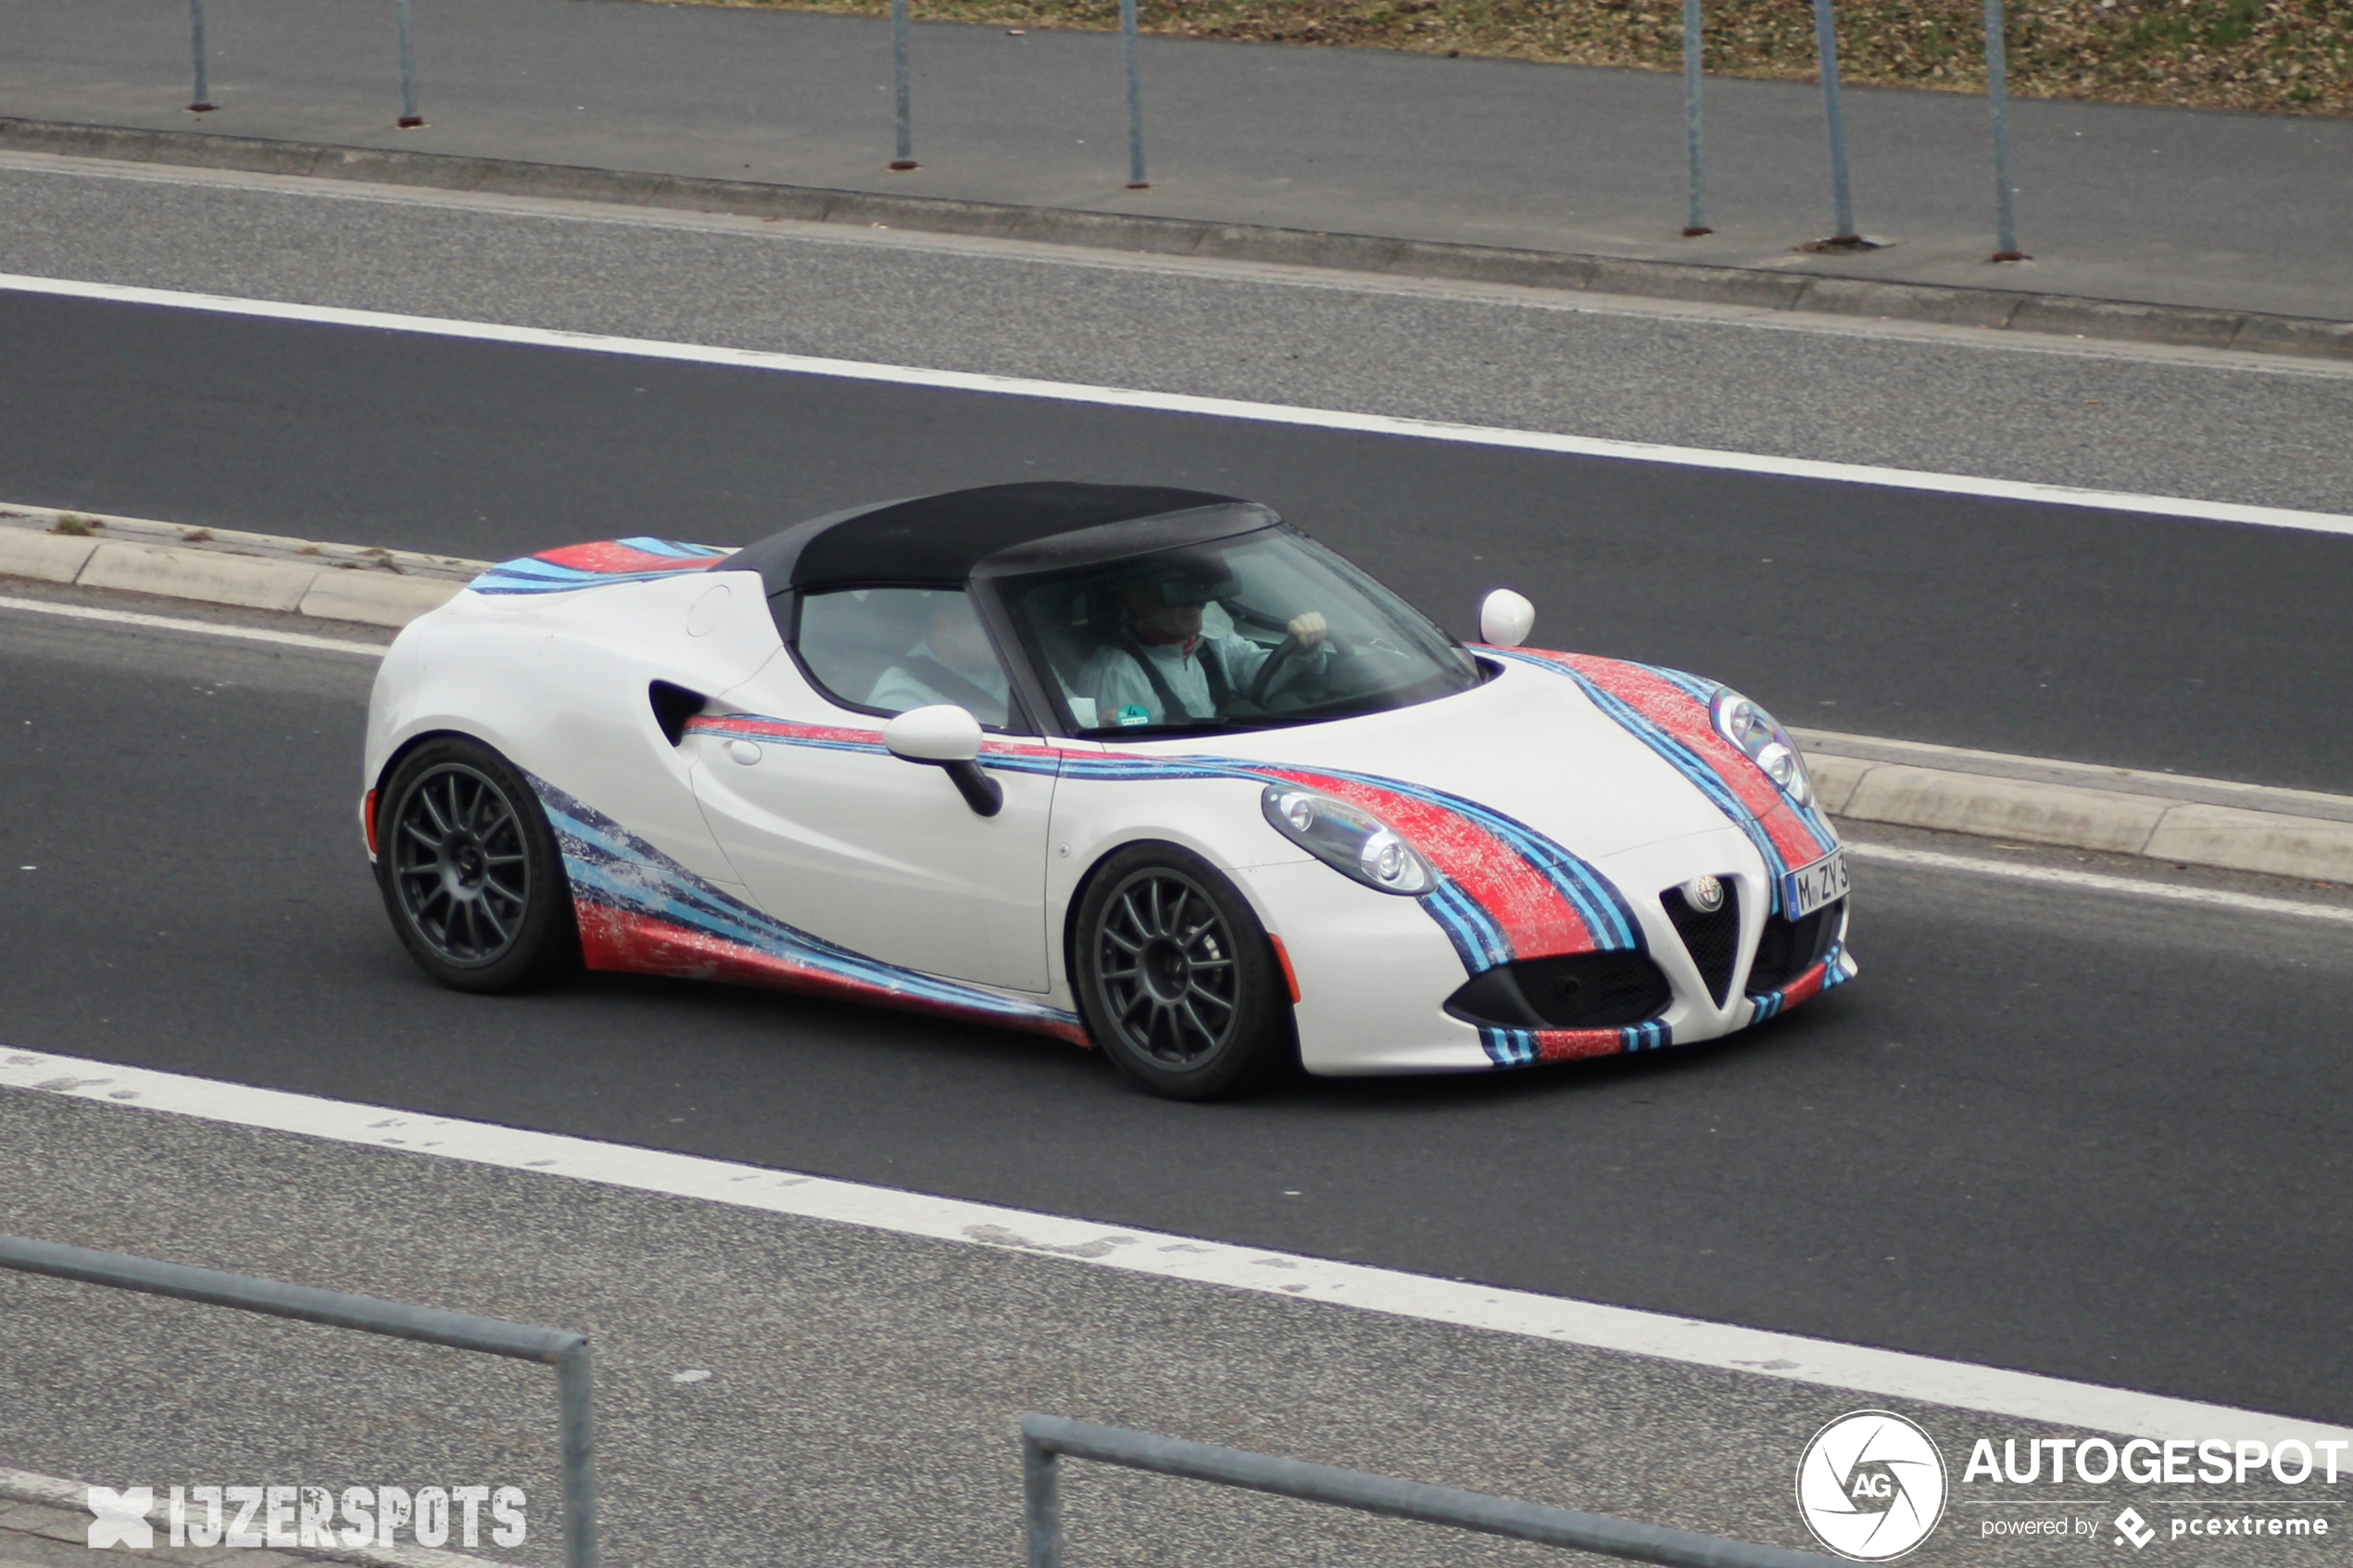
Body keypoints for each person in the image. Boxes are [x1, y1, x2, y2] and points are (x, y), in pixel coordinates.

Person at [1078, 567, 1327, 726]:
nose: (1194, 604)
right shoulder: (1115, 672)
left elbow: (1262, 677)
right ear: (1136, 601)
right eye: (1176, 592)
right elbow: (1130, 757)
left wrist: (1306, 650)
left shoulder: (1210, 639)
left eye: (1197, 590)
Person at [868, 595, 1012, 728]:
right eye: (985, 621)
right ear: (942, 625)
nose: (1002, 631)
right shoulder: (903, 694)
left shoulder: (1014, 665)